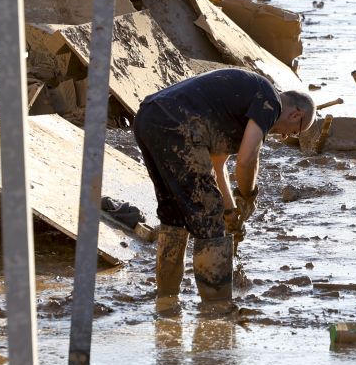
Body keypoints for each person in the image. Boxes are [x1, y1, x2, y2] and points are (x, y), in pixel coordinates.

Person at [133, 68, 315, 307]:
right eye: (294, 132)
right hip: (178, 124)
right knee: (209, 220)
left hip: (149, 117)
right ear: (296, 114)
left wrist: (230, 213)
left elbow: (217, 166)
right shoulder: (270, 101)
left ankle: (166, 300)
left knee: (174, 213)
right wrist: (248, 196)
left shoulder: (238, 108)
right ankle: (217, 308)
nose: (284, 137)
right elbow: (247, 160)